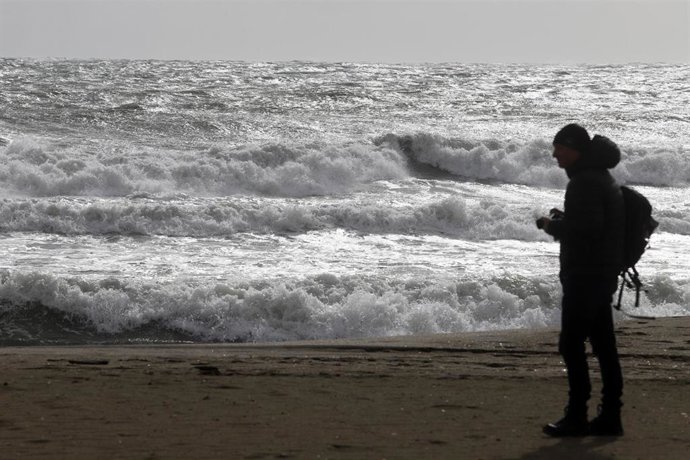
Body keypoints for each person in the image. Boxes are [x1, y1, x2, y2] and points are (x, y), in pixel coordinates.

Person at [536, 124, 625, 437]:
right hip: (600, 275)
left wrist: (551, 226)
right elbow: (591, 224)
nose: (555, 154)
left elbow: (585, 231)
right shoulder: (599, 176)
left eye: (560, 147)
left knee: (571, 345)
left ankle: (577, 417)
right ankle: (611, 417)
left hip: (586, 278)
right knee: (604, 346)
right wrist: (566, 219)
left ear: (574, 148)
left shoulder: (584, 182)